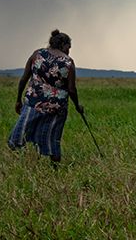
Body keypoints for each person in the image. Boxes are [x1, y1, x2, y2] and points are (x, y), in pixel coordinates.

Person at [8, 29, 84, 166]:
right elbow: (72, 90)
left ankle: (21, 158)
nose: (69, 51)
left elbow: (24, 79)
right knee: (53, 137)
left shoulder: (37, 54)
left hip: (33, 103)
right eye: (69, 47)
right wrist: (77, 105)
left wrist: (18, 99)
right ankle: (55, 166)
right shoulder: (68, 63)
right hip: (56, 107)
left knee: (21, 132)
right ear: (64, 45)